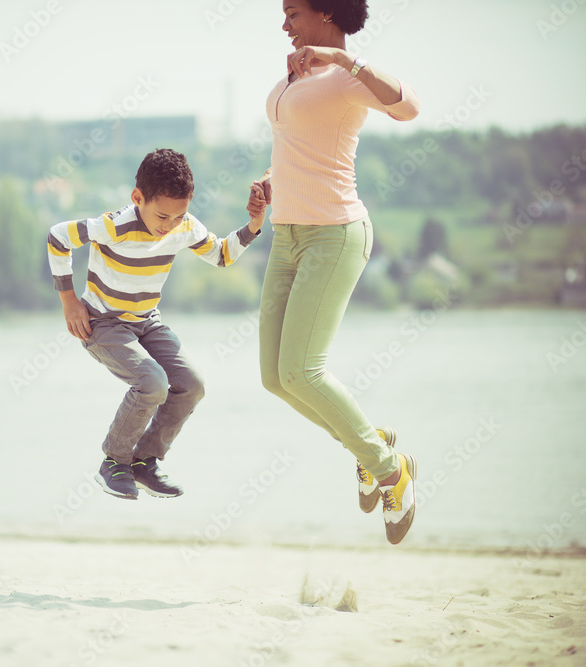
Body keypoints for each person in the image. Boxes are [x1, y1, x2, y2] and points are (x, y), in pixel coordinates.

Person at [247, 0, 421, 544]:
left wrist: (344, 60)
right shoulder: (297, 74)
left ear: (326, 13)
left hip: (334, 234)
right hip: (287, 235)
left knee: (303, 371)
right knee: (275, 377)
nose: (284, 24)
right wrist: (272, 180)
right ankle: (372, 443)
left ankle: (390, 471)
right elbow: (302, 143)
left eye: (293, 13)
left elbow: (409, 107)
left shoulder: (347, 77)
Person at [48, 148, 266, 500]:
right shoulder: (114, 226)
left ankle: (143, 462)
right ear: (138, 198)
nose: (169, 226)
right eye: (162, 215)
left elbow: (222, 255)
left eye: (178, 217)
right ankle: (114, 462)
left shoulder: (185, 226)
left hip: (146, 323)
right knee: (152, 383)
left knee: (192, 384)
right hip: (103, 324)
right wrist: (69, 301)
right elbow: (58, 237)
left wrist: (254, 224)